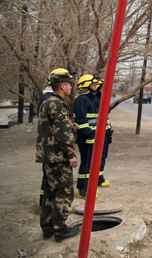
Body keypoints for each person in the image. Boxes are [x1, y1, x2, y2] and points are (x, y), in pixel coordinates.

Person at [36, 68, 81, 242]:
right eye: (69, 84)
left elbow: (51, 128)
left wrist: (70, 127)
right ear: (62, 86)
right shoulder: (58, 103)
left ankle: (47, 228)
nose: (71, 87)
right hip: (58, 157)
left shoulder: (46, 101)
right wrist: (71, 154)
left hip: (48, 155)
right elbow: (61, 132)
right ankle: (61, 230)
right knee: (63, 193)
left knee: (49, 193)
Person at [74, 74, 105, 198]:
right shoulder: (82, 99)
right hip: (86, 138)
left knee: (90, 164)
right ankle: (83, 190)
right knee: (86, 164)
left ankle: (88, 188)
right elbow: (81, 120)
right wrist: (90, 135)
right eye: (93, 84)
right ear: (86, 85)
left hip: (92, 137)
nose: (95, 86)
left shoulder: (90, 98)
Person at [93, 78, 113, 187]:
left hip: (105, 131)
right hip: (100, 132)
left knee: (103, 156)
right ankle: (98, 179)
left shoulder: (102, 98)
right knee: (100, 157)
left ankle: (100, 178)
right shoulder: (98, 99)